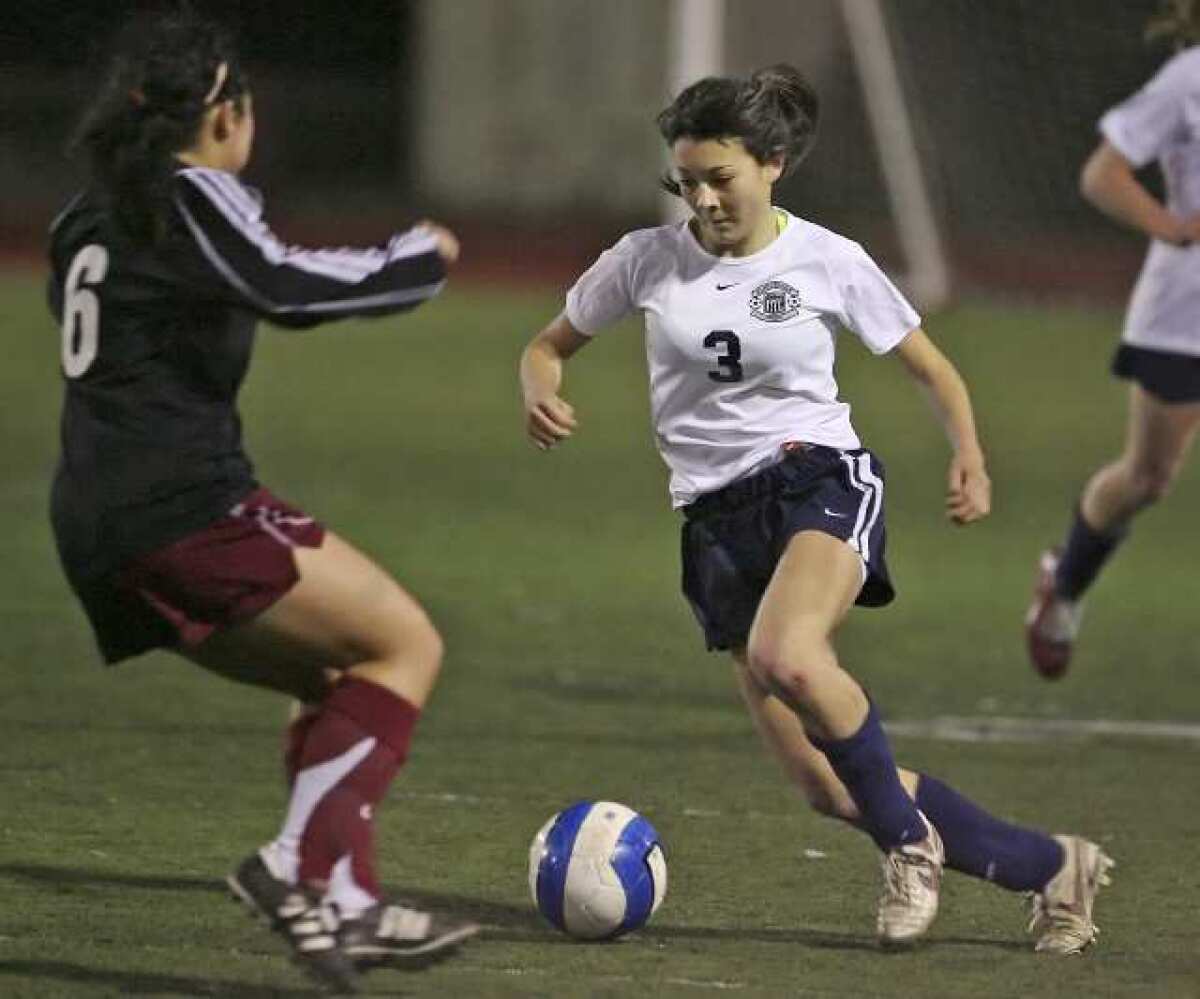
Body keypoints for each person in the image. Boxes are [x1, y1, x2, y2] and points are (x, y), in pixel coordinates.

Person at [520, 64, 1112, 953]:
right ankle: (1052, 866)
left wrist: (971, 456)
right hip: (715, 528)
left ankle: (911, 845)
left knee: (787, 652)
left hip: (817, 481)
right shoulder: (646, 259)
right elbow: (547, 344)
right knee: (829, 788)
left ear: (773, 165)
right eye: (688, 182)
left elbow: (932, 368)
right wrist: (538, 388)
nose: (704, 198)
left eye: (722, 177)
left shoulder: (827, 259)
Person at [48, 9, 476, 992]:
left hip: (97, 518)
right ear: (223, 113)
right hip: (184, 506)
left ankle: (352, 905)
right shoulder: (196, 195)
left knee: (336, 685)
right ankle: (291, 868)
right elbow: (282, 283)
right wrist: (416, 260)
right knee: (406, 646)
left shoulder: (91, 211)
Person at [1026, 0, 1200, 678]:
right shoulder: (1188, 79)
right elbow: (1102, 174)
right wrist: (1174, 228)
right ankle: (1064, 584)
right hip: (1184, 316)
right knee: (1149, 476)